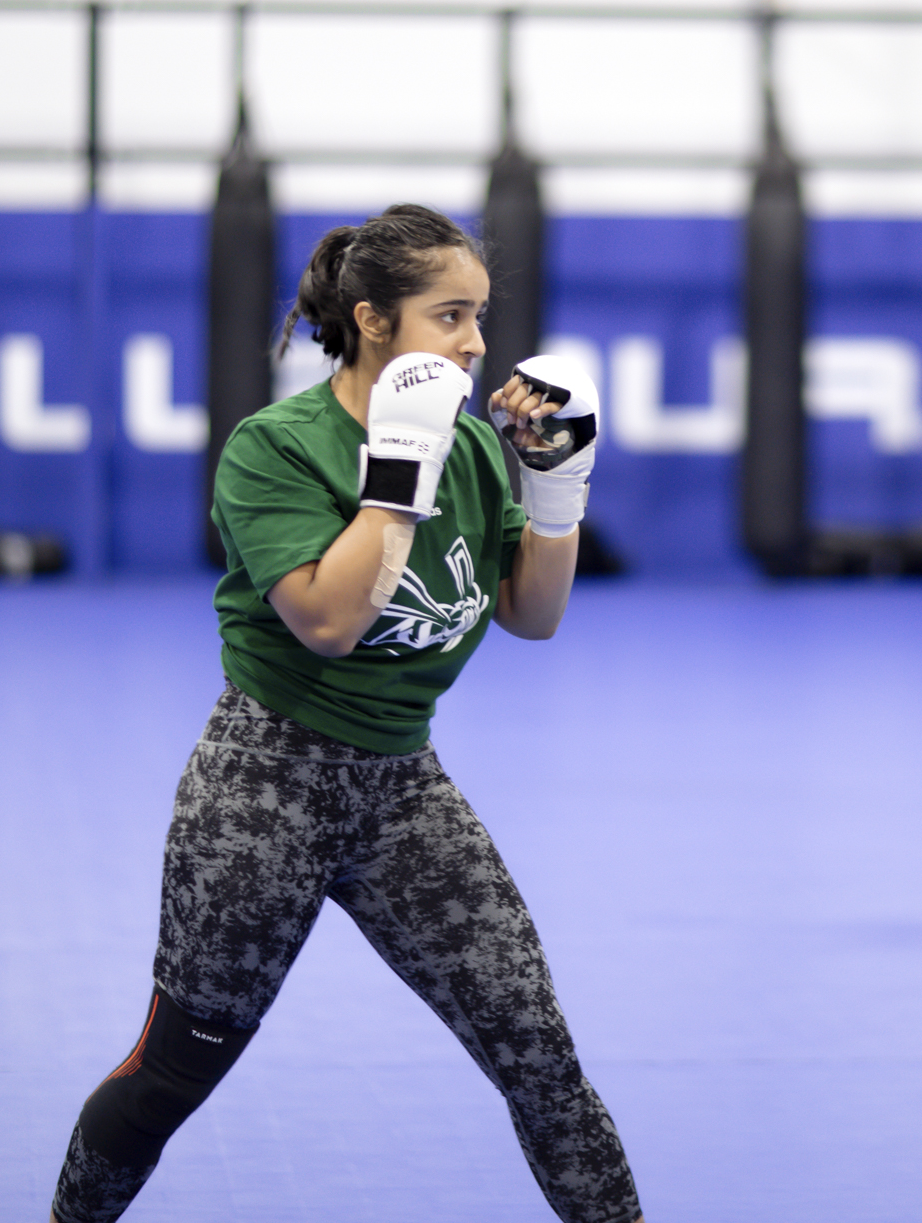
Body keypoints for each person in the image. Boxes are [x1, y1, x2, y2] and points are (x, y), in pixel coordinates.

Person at [49, 204, 644, 1223]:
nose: (477, 344)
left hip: (402, 788)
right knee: (173, 1074)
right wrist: (398, 470)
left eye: (481, 317)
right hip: (262, 788)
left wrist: (555, 487)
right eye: (451, 316)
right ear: (374, 321)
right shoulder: (274, 448)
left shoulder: (466, 448)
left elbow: (531, 616)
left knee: (540, 1054)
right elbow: (327, 619)